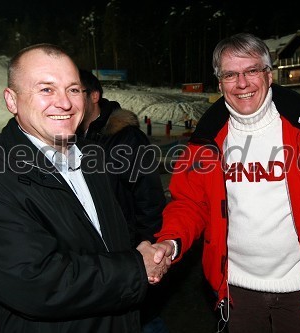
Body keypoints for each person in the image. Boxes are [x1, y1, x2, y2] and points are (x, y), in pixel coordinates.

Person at [0, 43, 172, 333]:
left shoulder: (94, 157)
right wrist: (137, 268)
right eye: (46, 89)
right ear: (11, 101)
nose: (65, 103)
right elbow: (38, 283)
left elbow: (107, 241)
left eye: (73, 89)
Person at [153, 33, 300, 333]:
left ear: (269, 75)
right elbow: (189, 203)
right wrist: (170, 240)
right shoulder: (205, 141)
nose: (242, 83)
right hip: (238, 292)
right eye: (230, 74)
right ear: (219, 83)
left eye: (252, 70)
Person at [77, 69, 169, 333]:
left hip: (130, 253)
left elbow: (149, 200)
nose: (67, 100)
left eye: (75, 91)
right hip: (96, 260)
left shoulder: (126, 139)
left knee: (144, 320)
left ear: (94, 95)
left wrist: (144, 250)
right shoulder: (70, 139)